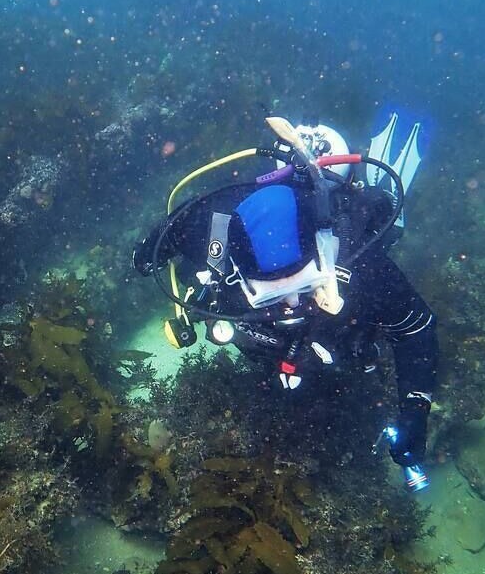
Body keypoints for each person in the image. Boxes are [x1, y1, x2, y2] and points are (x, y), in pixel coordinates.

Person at [132, 116, 437, 472]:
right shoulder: (207, 229)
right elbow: (161, 240)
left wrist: (416, 409)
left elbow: (415, 329)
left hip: (337, 356)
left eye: (304, 287)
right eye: (269, 297)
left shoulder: (362, 263)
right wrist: (146, 256)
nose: (290, 307)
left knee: (385, 229)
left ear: (324, 259)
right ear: (237, 271)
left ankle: (363, 185)